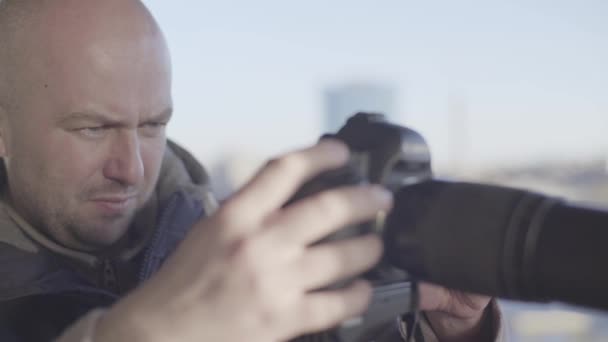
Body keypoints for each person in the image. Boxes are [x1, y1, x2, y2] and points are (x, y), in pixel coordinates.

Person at [0, 0, 503, 341]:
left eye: (153, 125)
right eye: (91, 128)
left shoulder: (232, 241)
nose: (130, 169)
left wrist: (447, 328)